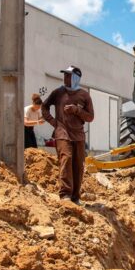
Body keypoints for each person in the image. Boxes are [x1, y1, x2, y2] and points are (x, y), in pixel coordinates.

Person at [41, 66, 94, 204]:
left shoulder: (84, 95)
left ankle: (75, 197)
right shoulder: (58, 93)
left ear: (76, 78)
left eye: (68, 76)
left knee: (78, 165)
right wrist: (54, 122)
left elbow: (90, 117)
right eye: (65, 75)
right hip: (62, 133)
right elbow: (44, 106)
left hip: (79, 136)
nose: (65, 78)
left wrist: (77, 110)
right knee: (66, 159)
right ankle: (65, 194)